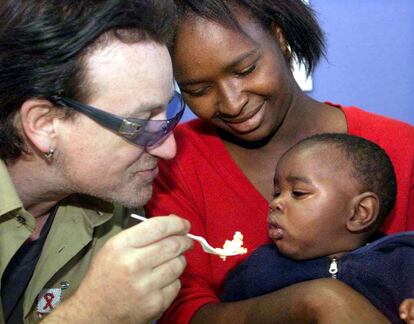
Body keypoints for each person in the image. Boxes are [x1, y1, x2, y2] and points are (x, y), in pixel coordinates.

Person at [145, 0, 414, 322]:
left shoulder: (403, 147)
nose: (232, 104)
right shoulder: (172, 164)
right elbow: (182, 311)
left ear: (280, 38)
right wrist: (313, 301)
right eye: (198, 89)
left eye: (245, 70)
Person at [0, 1, 193, 323]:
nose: (169, 149)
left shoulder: (116, 213)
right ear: (45, 123)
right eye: (138, 125)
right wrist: (90, 314)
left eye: (168, 113)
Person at [221, 133, 414, 324]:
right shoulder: (258, 268)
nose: (276, 203)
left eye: (298, 193)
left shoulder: (403, 264)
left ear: (359, 213)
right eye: (277, 193)